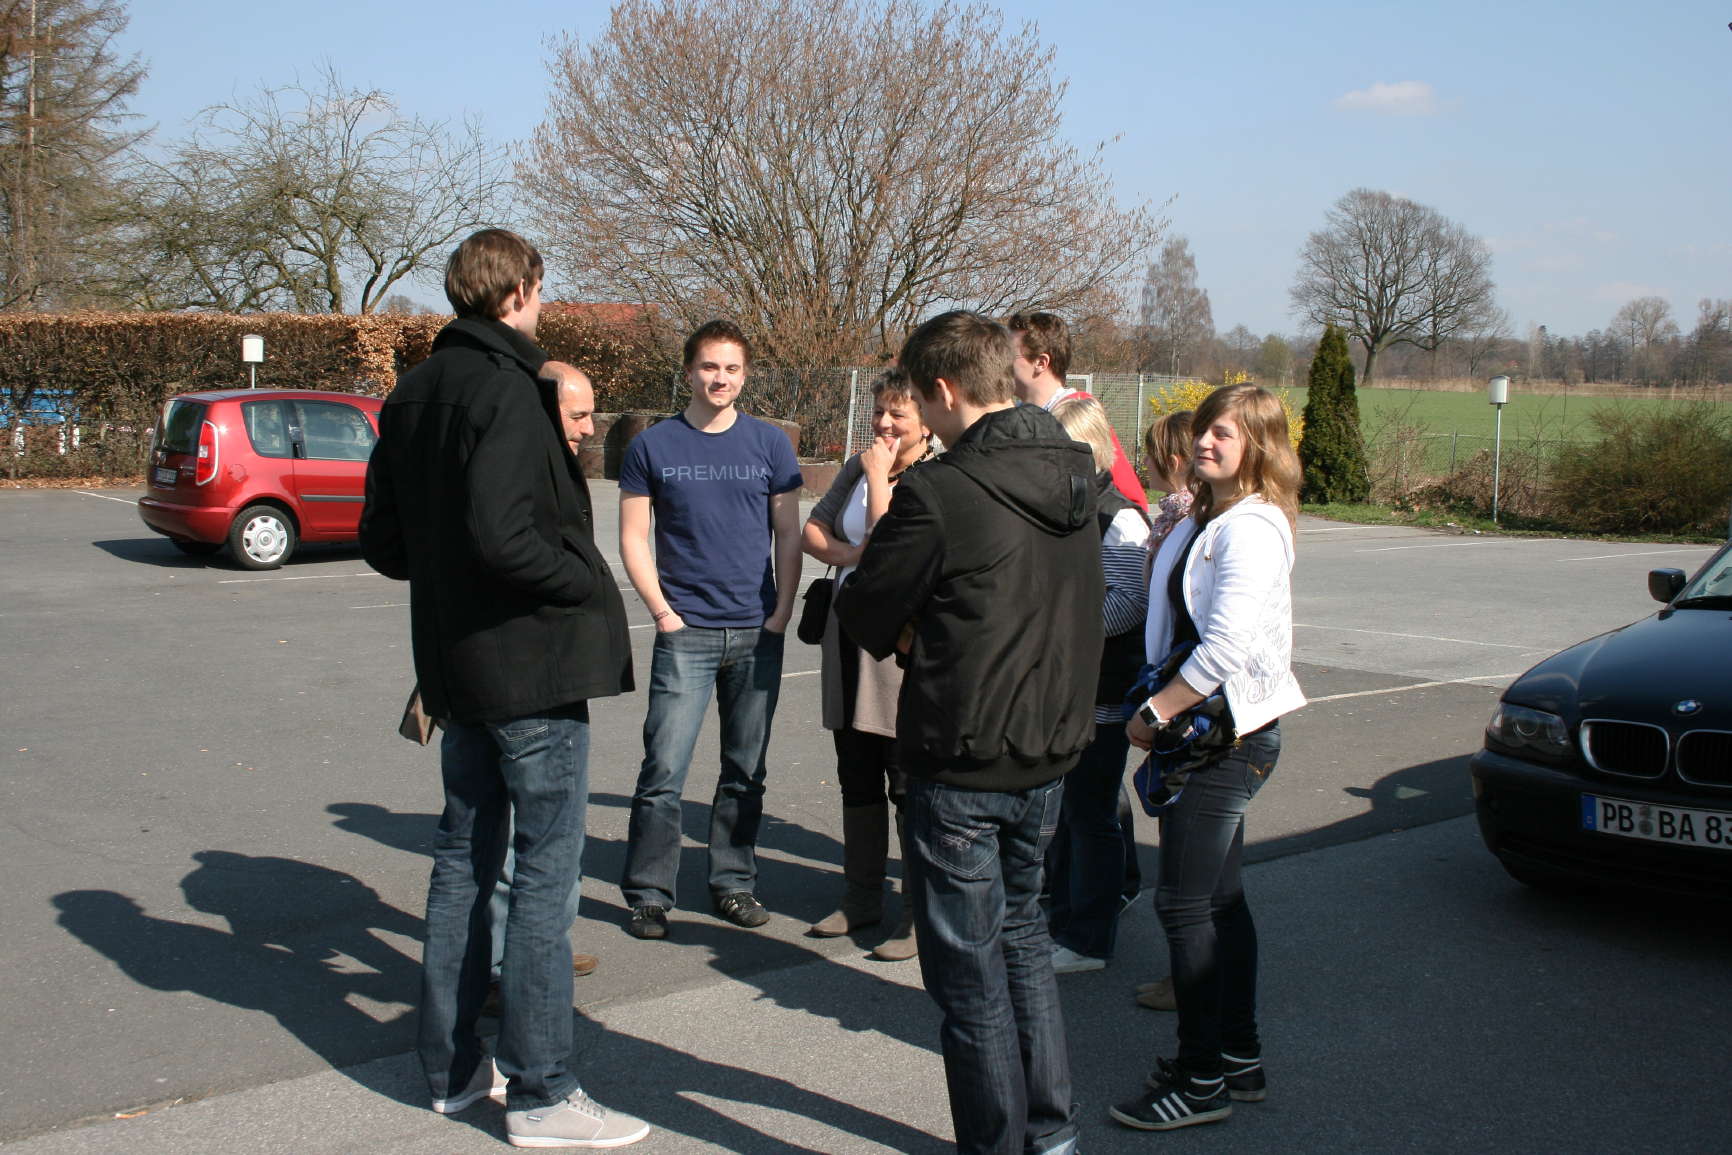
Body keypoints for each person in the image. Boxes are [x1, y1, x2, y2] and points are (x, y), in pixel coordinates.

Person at [361, 229, 648, 1148]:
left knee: (463, 860)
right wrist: (580, 578)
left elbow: (387, 542)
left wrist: (457, 577)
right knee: (540, 878)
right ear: (523, 289)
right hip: (528, 665)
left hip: (456, 665)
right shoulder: (510, 389)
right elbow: (504, 536)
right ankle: (541, 1091)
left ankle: (449, 1072)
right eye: (538, 288)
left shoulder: (410, 394)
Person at [835, 310, 1102, 1155]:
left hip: (962, 756)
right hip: (1049, 746)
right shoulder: (1076, 467)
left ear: (944, 390)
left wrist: (916, 612)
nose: (916, 408)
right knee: (1022, 942)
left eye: (919, 394)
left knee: (970, 981)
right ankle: (1052, 1134)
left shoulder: (941, 490)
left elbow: (868, 607)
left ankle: (999, 1143)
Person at [1109, 384, 1305, 1134]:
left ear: (1258, 443)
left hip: (1224, 737)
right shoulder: (1210, 514)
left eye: (1223, 433)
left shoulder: (1250, 528)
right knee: (1219, 900)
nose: (1205, 443)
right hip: (1215, 732)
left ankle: (1199, 1080)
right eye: (1203, 430)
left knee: (1184, 902)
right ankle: (1236, 1057)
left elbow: (1223, 646)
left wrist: (1156, 712)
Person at [617, 320, 804, 940]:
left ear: (744, 375)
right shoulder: (653, 446)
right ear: (689, 370)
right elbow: (632, 537)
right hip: (686, 634)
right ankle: (648, 893)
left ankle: (733, 883)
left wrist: (781, 610)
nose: (720, 378)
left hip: (756, 631)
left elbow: (787, 533)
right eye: (709, 367)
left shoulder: (770, 444)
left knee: (744, 771)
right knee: (663, 771)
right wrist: (662, 613)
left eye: (732, 369)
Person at [800, 369, 935, 961]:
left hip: (900, 645)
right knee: (855, 769)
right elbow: (812, 530)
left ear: (926, 422)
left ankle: (916, 914)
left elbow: (890, 547)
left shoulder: (932, 478)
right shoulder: (861, 465)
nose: (883, 424)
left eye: (898, 414)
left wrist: (879, 479)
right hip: (848, 634)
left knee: (905, 779)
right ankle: (861, 897)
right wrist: (848, 555)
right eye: (879, 411)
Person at [483, 363, 601, 1005]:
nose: (588, 428)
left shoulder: (549, 460)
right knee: (533, 839)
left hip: (545, 670)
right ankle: (518, 972)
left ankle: (540, 946)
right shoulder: (518, 468)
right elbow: (510, 551)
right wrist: (580, 581)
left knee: (549, 834)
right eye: (577, 415)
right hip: (527, 677)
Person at [1046, 396, 1150, 975]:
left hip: (1103, 691)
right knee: (1068, 814)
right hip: (1068, 687)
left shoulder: (1121, 516)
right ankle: (1065, 920)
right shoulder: (1069, 506)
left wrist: (1065, 632)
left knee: (1091, 815)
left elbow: (1130, 602)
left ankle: (1089, 937)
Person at [1128, 406, 1195, 1014]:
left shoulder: (1181, 518)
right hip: (1165, 679)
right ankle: (1184, 974)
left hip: (1180, 693)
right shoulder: (1170, 518)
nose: (1142, 466)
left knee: (1187, 860)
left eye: (1149, 455)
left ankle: (1189, 980)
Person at [1005, 311, 1148, 513]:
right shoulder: (1015, 416)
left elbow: (1130, 499)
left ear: (1041, 363)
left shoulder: (1077, 413)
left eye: (1009, 355)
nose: (1002, 363)